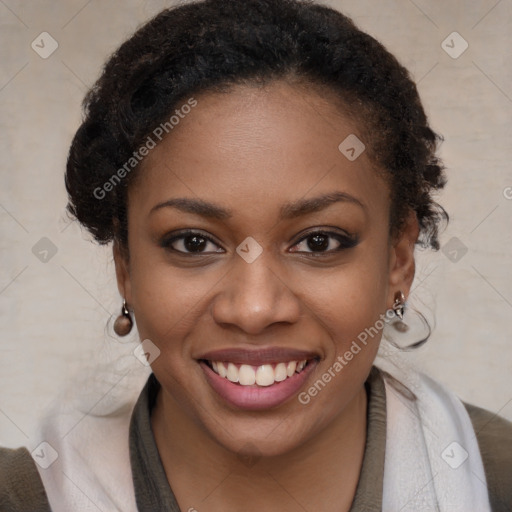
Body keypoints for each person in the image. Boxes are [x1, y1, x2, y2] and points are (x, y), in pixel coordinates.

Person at [1, 0, 511, 510]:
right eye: (193, 242)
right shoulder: (25, 496)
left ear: (398, 259)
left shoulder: (494, 479)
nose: (254, 310)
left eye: (318, 241)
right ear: (126, 266)